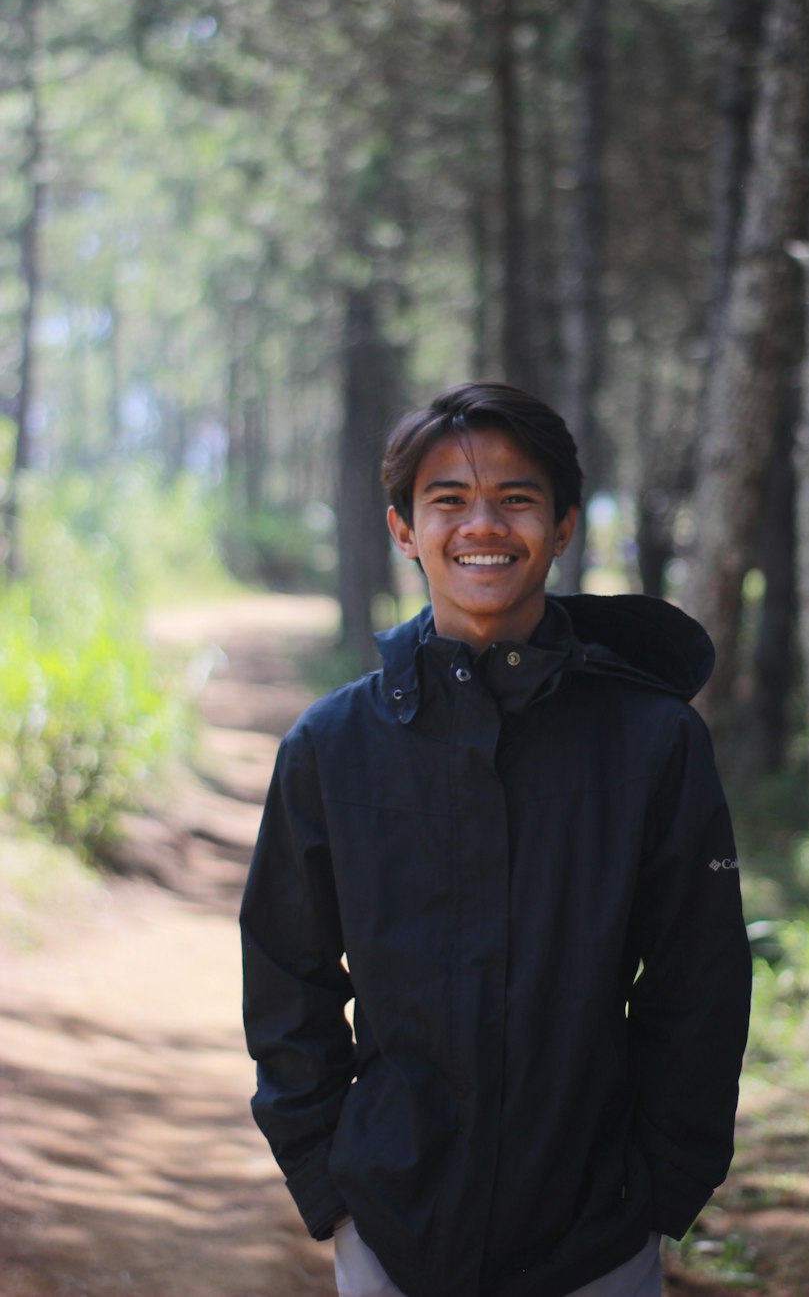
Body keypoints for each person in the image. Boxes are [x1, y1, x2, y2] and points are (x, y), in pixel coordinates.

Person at [240, 381, 751, 1297]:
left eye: (516, 499)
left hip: (598, 1238)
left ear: (561, 528)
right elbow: (288, 985)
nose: (484, 525)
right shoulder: (331, 748)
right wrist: (332, 1181)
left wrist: (662, 1186)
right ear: (404, 530)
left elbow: (700, 983)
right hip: (390, 1230)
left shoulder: (654, 742)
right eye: (449, 501)